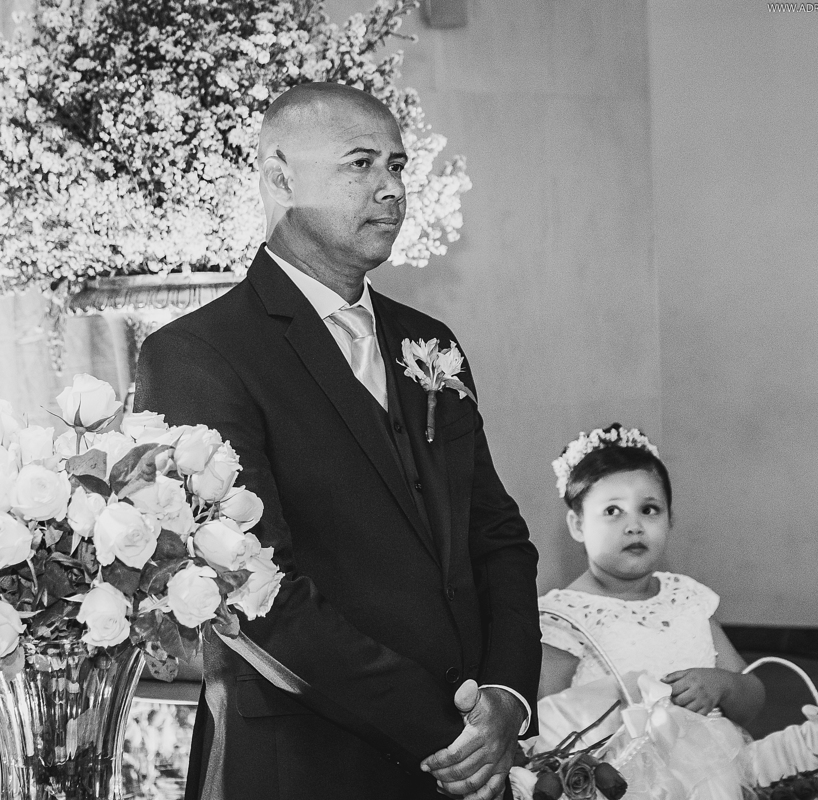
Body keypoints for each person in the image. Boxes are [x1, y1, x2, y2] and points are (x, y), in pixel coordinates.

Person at [134, 82, 541, 800]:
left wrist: (507, 698)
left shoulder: (429, 342)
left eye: (397, 166)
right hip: (305, 763)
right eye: (361, 164)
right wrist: (448, 733)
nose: (392, 189)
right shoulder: (198, 355)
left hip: (469, 759)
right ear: (280, 178)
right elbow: (253, 587)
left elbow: (496, 535)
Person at [533, 424, 764, 799]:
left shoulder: (687, 598)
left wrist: (723, 685)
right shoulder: (565, 616)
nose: (634, 525)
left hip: (713, 779)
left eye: (649, 509)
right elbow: (548, 731)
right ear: (577, 524)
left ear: (670, 519)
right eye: (613, 511)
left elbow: (752, 697)